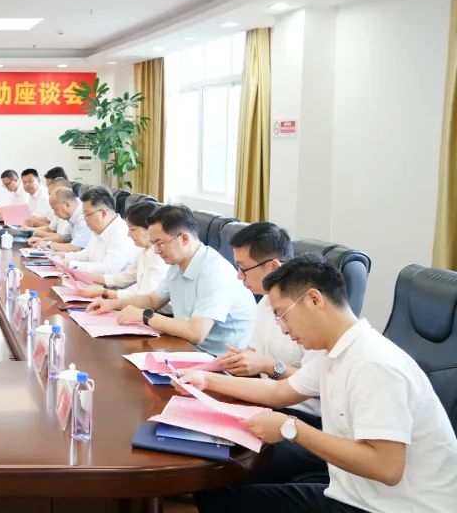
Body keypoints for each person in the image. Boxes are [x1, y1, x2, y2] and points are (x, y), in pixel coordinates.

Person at [186, 256, 457, 513]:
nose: (283, 329)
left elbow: (387, 468)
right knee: (215, 490)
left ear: (314, 299)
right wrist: (207, 380)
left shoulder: (374, 364)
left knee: (224, 502)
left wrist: (291, 428)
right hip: (354, 492)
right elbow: (278, 392)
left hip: (393, 506)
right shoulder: (334, 353)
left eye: (282, 315)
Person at [217, 222, 327, 485]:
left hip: (308, 418)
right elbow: (258, 354)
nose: (239, 277)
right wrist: (241, 360)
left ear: (273, 267)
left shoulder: (309, 313)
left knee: (228, 461)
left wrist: (268, 366)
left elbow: (320, 387)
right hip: (270, 401)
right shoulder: (266, 301)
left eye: (243, 269)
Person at [87, 204, 255, 356]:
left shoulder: (215, 271)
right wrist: (113, 304)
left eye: (160, 243)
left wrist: (145, 316)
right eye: (154, 244)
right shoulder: (177, 263)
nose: (157, 250)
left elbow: (196, 332)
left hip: (219, 360)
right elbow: (153, 300)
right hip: (186, 347)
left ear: (184, 239)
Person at [75, 201, 168, 300]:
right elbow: (124, 278)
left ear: (150, 229)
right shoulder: (144, 252)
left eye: (132, 229)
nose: (128, 234)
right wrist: (85, 275)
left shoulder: (160, 257)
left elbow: (145, 295)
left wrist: (104, 292)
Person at [56, 186, 135, 276]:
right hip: (94, 281)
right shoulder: (99, 229)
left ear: (103, 213)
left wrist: (71, 264)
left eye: (87, 214)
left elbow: (108, 269)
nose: (85, 219)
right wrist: (65, 256)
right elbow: (88, 253)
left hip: (110, 284)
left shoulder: (122, 233)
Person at [27, 186, 92, 252]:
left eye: (55, 209)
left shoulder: (83, 215)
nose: (55, 214)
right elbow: (64, 238)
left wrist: (48, 244)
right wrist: (42, 240)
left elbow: (76, 247)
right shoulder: (73, 214)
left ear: (67, 204)